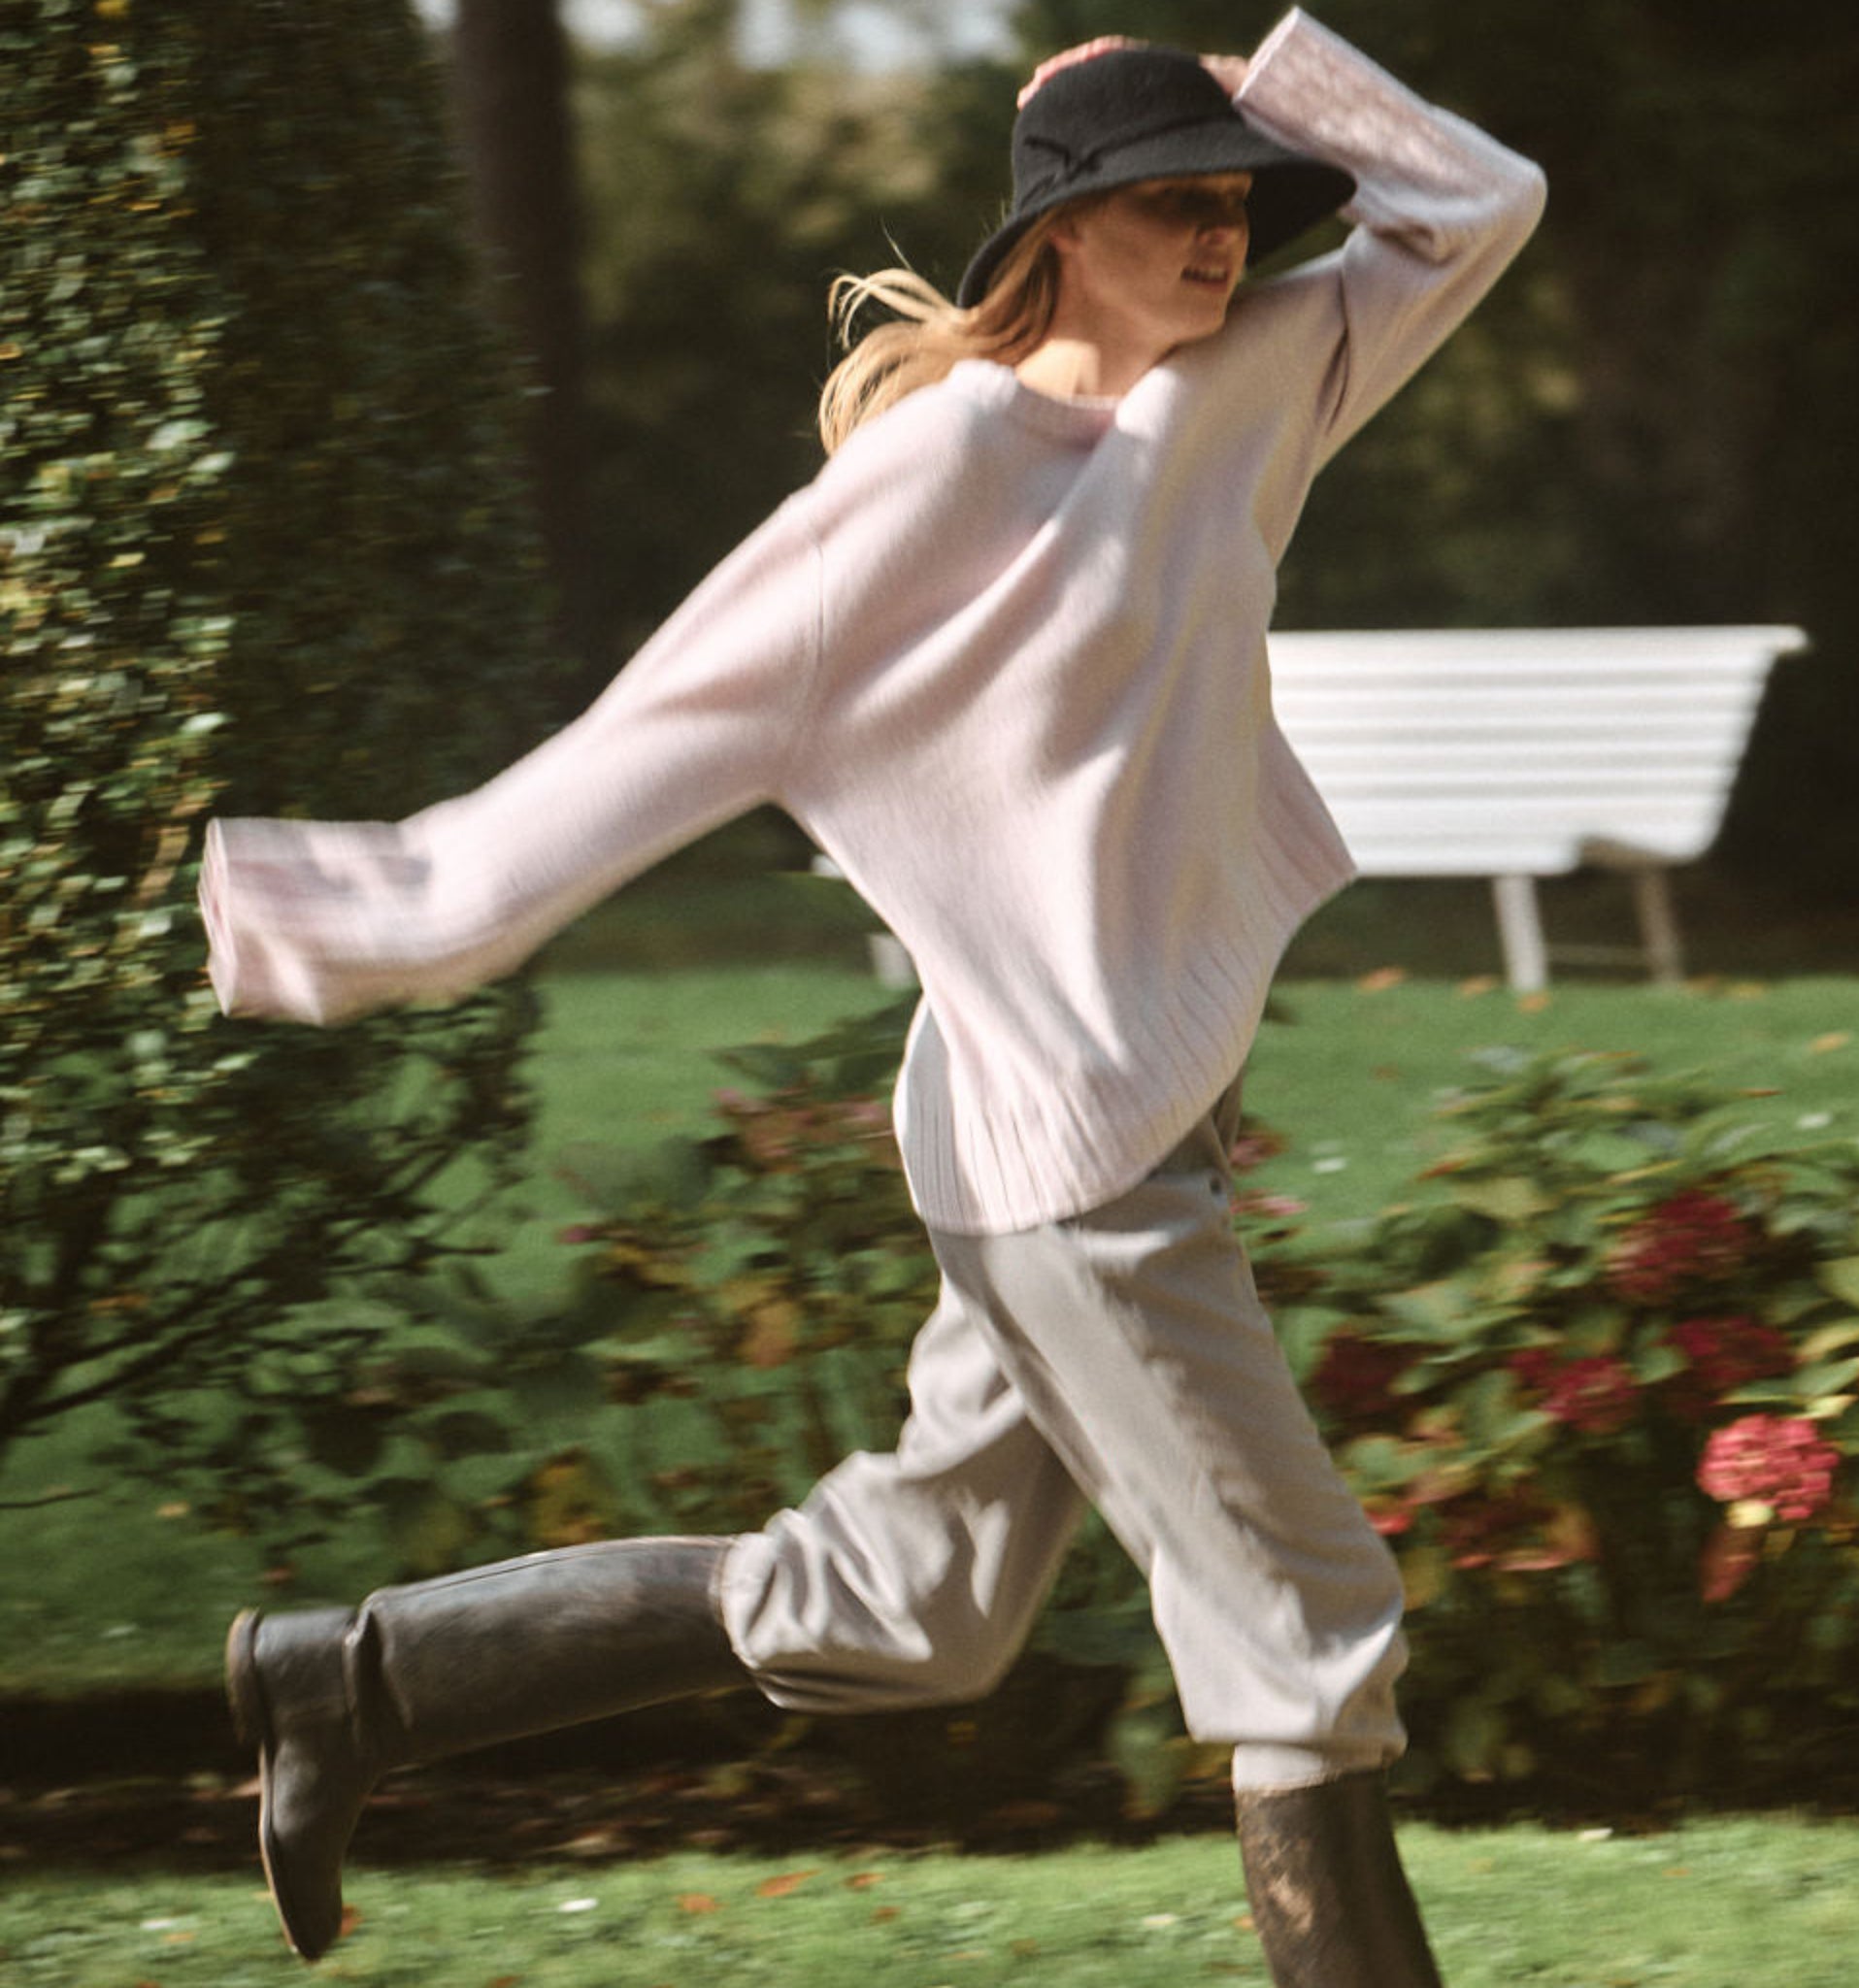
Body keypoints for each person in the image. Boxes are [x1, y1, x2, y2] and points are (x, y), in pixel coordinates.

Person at [202, 12, 1545, 1981]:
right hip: (1058, 1148)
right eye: (1169, 202)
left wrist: (1248, 92)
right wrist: (339, 911)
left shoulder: (1258, 380)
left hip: (1099, 1096)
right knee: (1302, 1624)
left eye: (1239, 204)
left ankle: (354, 1684)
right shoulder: (934, 475)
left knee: (910, 1612)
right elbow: (657, 730)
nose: (1221, 237)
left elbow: (1479, 206)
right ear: (1060, 231)